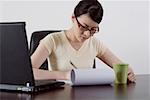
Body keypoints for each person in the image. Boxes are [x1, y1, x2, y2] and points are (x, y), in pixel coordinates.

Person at [31, 0, 136, 83]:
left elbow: (121, 66)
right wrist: (66, 75)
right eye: (83, 27)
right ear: (73, 18)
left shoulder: (95, 43)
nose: (87, 34)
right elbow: (29, 72)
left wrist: (128, 72)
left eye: (93, 29)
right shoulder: (53, 40)